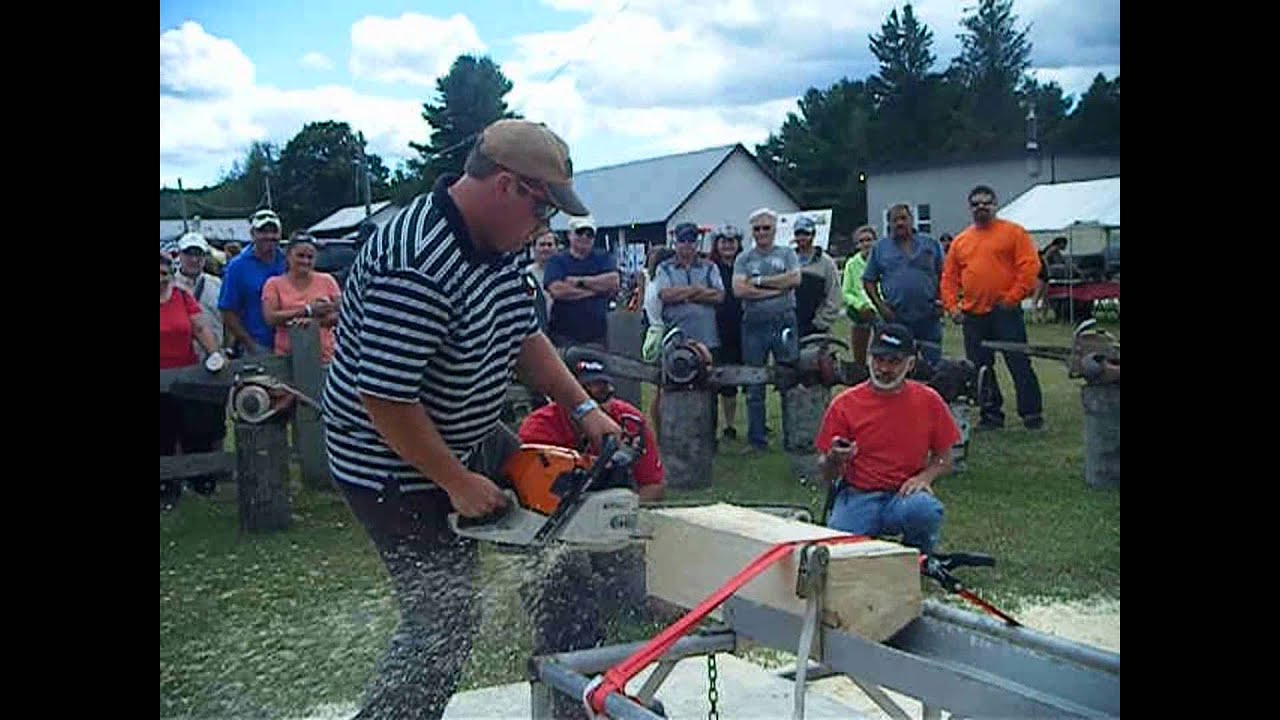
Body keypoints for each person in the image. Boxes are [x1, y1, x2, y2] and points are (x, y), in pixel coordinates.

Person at [319, 118, 620, 720]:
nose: (544, 226)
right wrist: (456, 482)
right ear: (507, 185)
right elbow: (385, 399)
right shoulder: (415, 262)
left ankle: (572, 706)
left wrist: (582, 406)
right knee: (444, 623)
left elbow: (523, 332)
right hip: (391, 462)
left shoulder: (499, 245)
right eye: (543, 209)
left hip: (469, 433)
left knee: (563, 565)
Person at [815, 324, 959, 554]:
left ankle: (919, 557)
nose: (883, 368)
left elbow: (946, 458)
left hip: (904, 494)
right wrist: (834, 458)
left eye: (894, 361)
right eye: (878, 359)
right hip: (858, 494)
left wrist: (925, 478)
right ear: (868, 359)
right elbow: (826, 473)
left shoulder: (929, 401)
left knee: (925, 510)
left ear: (910, 364)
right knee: (839, 551)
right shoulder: (844, 404)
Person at [941, 185, 1044, 431]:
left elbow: (1030, 267)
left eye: (986, 203)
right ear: (970, 208)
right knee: (980, 369)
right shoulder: (961, 241)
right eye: (976, 204)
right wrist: (953, 307)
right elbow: (949, 278)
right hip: (973, 316)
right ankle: (991, 415)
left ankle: (1032, 415)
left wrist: (1013, 297)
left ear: (995, 205)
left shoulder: (1014, 233)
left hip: (1005, 312)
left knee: (1019, 363)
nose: (981, 207)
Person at [160, 252, 228, 509]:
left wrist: (214, 353)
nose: (160, 278)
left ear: (171, 274)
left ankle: (201, 482)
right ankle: (166, 487)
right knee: (163, 435)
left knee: (195, 431)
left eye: (164, 273)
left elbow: (200, 327)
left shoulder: (182, 297)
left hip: (186, 376)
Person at [733, 207, 801, 451]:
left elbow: (795, 279)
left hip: (784, 321)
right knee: (754, 383)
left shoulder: (787, 253)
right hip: (754, 325)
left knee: (790, 379)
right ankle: (757, 440)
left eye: (766, 228)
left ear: (774, 229)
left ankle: (794, 437)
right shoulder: (744, 258)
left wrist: (760, 282)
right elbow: (739, 290)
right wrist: (777, 290)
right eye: (757, 228)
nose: (762, 232)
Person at [862, 204, 945, 366]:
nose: (900, 223)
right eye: (895, 220)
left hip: (929, 316)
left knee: (932, 365)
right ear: (889, 224)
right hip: (895, 316)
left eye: (903, 218)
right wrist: (881, 307)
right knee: (896, 362)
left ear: (911, 220)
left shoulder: (930, 244)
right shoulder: (880, 248)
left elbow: (945, 275)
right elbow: (868, 280)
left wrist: (941, 301)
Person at [261, 234, 342, 364]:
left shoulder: (328, 280)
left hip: (325, 356)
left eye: (310, 257)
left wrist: (314, 322)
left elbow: (342, 314)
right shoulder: (273, 284)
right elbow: (270, 318)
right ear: (288, 256)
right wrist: (307, 310)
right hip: (287, 357)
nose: (305, 261)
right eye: (300, 256)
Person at [544, 215, 620, 348]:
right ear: (569, 235)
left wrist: (579, 282)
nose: (584, 237)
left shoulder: (603, 257)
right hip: (563, 337)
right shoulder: (557, 260)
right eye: (580, 232)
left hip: (597, 336)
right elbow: (557, 291)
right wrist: (597, 291)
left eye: (589, 234)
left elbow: (613, 282)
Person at [218, 209, 285, 356]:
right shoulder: (237, 266)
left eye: (274, 232)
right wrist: (249, 344)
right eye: (263, 231)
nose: (269, 236)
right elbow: (227, 311)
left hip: (291, 342)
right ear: (252, 234)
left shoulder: (288, 260)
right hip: (258, 345)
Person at [654, 222, 724, 350]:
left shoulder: (710, 267)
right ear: (675, 243)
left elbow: (719, 296)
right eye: (682, 240)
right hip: (676, 340)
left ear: (697, 243)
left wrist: (682, 295)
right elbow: (665, 295)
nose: (687, 244)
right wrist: (696, 290)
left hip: (707, 339)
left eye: (691, 240)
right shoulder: (664, 268)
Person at [708, 224, 745, 440]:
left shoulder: (746, 265)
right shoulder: (710, 267)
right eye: (723, 241)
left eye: (732, 241)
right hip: (718, 328)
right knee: (723, 380)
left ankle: (756, 424)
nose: (728, 245)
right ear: (717, 244)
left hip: (745, 327)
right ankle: (727, 425)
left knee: (750, 376)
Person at [172, 232, 224, 360]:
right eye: (188, 254)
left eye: (198, 254)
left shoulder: (217, 284)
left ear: (205, 256)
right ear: (179, 255)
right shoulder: (168, 286)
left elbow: (227, 318)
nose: (194, 259)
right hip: (180, 360)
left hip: (215, 356)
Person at [791, 215, 843, 338]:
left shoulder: (827, 263)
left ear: (813, 235)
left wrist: (820, 323)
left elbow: (834, 295)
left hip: (816, 330)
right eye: (798, 234)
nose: (801, 237)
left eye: (806, 233)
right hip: (791, 326)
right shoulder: (788, 260)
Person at [842, 225, 879, 364]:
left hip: (881, 309)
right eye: (861, 241)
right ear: (857, 245)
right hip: (860, 312)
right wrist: (860, 305)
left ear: (875, 241)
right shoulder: (851, 264)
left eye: (868, 240)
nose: (865, 244)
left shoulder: (882, 261)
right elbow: (846, 292)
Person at [525, 229, 557, 332]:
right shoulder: (526, 274)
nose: (546, 248)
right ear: (534, 248)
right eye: (542, 244)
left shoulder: (565, 272)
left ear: (556, 248)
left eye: (550, 245)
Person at [1033, 236, 1069, 319]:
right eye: (1064, 244)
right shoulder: (1052, 249)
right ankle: (1036, 317)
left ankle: (1042, 316)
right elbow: (1044, 258)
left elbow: (1062, 261)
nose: (1065, 247)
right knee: (1037, 297)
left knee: (1045, 297)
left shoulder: (1056, 251)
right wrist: (1048, 268)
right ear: (1060, 243)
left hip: (1045, 275)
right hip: (1041, 275)